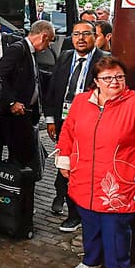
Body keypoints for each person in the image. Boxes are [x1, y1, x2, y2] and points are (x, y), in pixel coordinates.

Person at [55, 56, 135, 268]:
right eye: (108, 77)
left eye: (119, 77)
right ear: (96, 81)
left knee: (115, 226)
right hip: (84, 175)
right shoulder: (81, 101)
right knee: (89, 221)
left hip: (118, 178)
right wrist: (65, 160)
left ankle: (117, 267)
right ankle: (91, 260)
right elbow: (68, 132)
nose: (114, 81)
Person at [44, 21, 106, 232]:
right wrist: (51, 119)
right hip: (64, 121)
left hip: (92, 125)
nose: (80, 38)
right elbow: (52, 89)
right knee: (65, 162)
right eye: (76, 34)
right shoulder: (64, 57)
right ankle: (67, 204)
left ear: (95, 36)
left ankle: (80, 212)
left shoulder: (105, 62)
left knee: (85, 167)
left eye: (86, 34)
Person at [0, 20, 55, 169]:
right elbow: (0, 75)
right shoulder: (18, 49)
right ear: (43, 37)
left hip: (27, 114)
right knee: (19, 157)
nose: (48, 47)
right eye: (50, 42)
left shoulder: (31, 52)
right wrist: (11, 102)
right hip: (16, 115)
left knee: (25, 155)